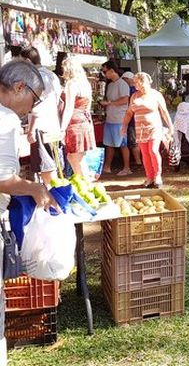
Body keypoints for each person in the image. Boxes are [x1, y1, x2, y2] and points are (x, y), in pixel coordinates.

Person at [0, 60, 62, 365]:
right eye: (34, 100)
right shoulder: (6, 119)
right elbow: (3, 180)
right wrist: (36, 190)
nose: (32, 108)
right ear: (19, 87)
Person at [121, 73, 174, 188]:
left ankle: (157, 175)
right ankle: (149, 177)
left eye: (139, 83)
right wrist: (124, 126)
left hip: (154, 127)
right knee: (144, 153)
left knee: (153, 150)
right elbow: (129, 112)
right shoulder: (134, 96)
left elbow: (164, 112)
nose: (137, 85)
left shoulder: (156, 95)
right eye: (135, 83)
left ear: (146, 82)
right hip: (140, 129)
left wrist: (171, 127)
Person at [19, 47, 62, 185]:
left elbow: (35, 107)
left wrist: (31, 130)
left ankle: (52, 198)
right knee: (53, 165)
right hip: (53, 125)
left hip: (41, 126)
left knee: (46, 168)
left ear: (27, 60)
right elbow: (59, 101)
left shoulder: (35, 78)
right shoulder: (52, 75)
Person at [60, 58, 97, 177]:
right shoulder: (86, 83)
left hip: (74, 123)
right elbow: (88, 106)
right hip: (85, 120)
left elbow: (69, 108)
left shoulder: (72, 84)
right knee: (74, 157)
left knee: (75, 158)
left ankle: (86, 184)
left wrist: (62, 128)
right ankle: (84, 182)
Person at [100, 61, 132, 176]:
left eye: (105, 71)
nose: (104, 74)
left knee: (123, 144)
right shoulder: (110, 85)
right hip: (110, 118)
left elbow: (125, 100)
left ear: (112, 70)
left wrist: (109, 103)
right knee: (109, 144)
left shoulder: (122, 84)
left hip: (120, 119)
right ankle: (107, 167)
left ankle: (127, 167)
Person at [121, 71, 143, 169]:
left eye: (124, 80)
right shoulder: (138, 91)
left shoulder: (130, 90)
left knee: (134, 142)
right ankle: (138, 161)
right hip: (136, 118)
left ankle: (138, 162)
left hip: (132, 120)